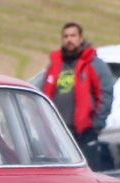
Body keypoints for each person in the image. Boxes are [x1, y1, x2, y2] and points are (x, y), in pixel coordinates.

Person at [41, 22, 113, 164]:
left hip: (84, 132)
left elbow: (105, 95)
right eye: (66, 36)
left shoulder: (93, 64)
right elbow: (44, 94)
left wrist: (96, 124)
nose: (69, 40)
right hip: (58, 132)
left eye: (73, 36)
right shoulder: (55, 65)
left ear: (81, 38)